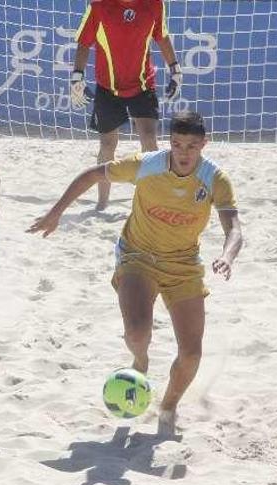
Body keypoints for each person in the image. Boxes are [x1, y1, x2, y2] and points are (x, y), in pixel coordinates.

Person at [28, 111, 243, 435]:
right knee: (137, 334)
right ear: (169, 143)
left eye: (191, 146)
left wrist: (227, 256)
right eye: (177, 144)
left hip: (183, 265)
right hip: (137, 255)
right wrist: (55, 213)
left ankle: (168, 405)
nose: (183, 153)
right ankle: (140, 361)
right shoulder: (147, 164)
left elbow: (235, 228)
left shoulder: (215, 178)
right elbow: (91, 175)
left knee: (191, 353)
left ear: (204, 145)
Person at [70, 0, 182, 211]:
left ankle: (151, 199)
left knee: (149, 140)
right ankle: (102, 203)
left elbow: (162, 36)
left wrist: (175, 70)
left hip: (142, 84)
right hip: (108, 87)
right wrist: (77, 75)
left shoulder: (155, 4)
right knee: (107, 145)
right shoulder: (99, 6)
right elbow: (84, 42)